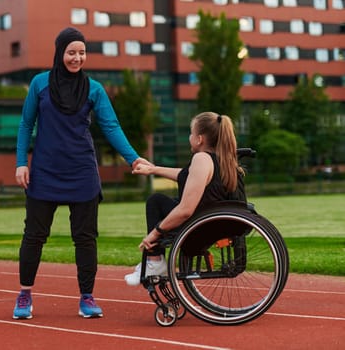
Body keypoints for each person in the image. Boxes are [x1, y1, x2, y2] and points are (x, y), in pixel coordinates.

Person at [13, 27, 151, 319]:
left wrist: (133, 158)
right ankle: (24, 294)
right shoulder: (39, 84)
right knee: (34, 235)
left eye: (81, 52)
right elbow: (26, 125)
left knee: (85, 238)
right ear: (60, 52)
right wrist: (20, 163)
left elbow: (111, 126)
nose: (77, 58)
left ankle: (87, 297)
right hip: (44, 171)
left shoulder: (94, 89)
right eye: (71, 52)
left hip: (82, 171)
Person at [124, 111, 246, 286]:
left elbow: (186, 210)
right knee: (166, 201)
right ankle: (155, 261)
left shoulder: (201, 159)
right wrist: (153, 169)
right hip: (218, 223)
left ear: (199, 139)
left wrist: (155, 233)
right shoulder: (225, 160)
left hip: (200, 226)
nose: (189, 137)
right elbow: (186, 176)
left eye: (191, 133)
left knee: (156, 201)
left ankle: (155, 261)